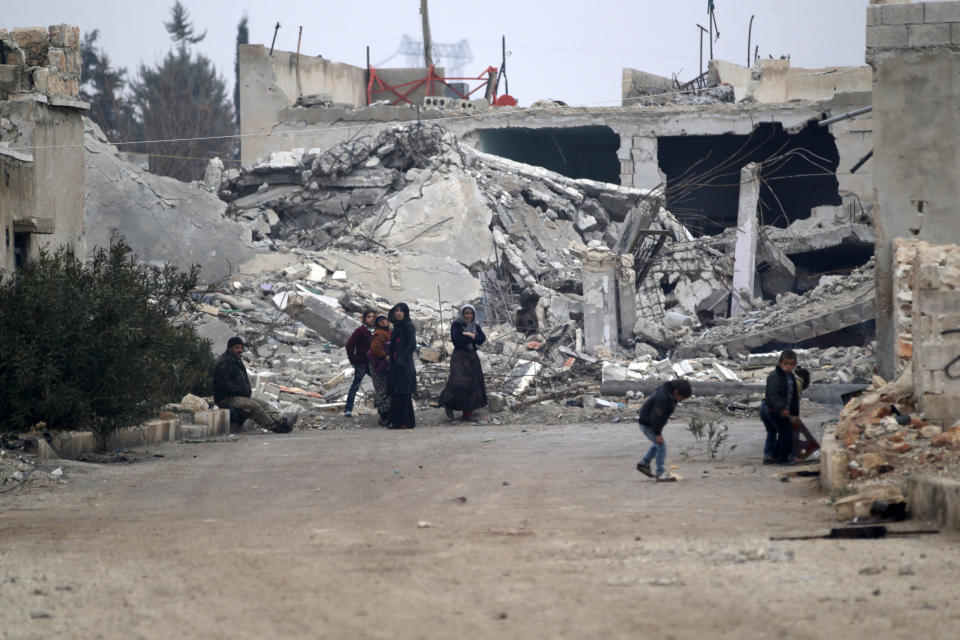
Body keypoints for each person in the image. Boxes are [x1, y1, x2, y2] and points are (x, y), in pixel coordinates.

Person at [213, 337, 297, 433]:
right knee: (253, 406)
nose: (240, 350)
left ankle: (282, 420)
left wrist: (245, 391)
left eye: (241, 348)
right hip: (227, 398)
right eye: (237, 348)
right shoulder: (224, 363)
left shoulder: (237, 361)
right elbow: (225, 386)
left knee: (263, 404)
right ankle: (275, 427)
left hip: (240, 396)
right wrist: (242, 391)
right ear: (229, 348)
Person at [760, 349, 811, 465]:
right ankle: (782, 458)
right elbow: (774, 395)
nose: (788, 367)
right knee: (782, 432)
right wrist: (781, 408)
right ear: (780, 363)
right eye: (786, 364)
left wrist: (806, 376)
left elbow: (801, 386)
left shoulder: (791, 378)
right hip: (772, 408)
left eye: (791, 365)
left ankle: (772, 455)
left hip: (778, 408)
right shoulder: (777, 377)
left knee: (781, 432)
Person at [636, 379, 692, 482]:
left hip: (648, 423)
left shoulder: (668, 394)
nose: (680, 401)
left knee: (657, 445)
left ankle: (644, 464)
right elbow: (655, 417)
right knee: (661, 446)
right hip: (648, 424)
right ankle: (660, 473)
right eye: (681, 398)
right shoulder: (663, 398)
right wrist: (658, 433)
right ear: (676, 392)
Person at [439, 305, 487, 422]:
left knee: (473, 384)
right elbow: (457, 341)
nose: (468, 316)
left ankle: (467, 414)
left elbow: (481, 339)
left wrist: (471, 335)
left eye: (471, 313)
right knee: (458, 383)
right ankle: (448, 404)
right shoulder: (456, 325)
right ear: (462, 314)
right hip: (459, 358)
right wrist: (473, 337)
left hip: (472, 358)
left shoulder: (475, 326)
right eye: (466, 313)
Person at [387, 303, 417, 430]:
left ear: (405, 313)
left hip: (405, 366)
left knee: (404, 394)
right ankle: (397, 421)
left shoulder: (408, 326)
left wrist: (402, 358)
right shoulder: (396, 328)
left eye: (401, 311)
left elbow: (412, 345)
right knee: (396, 394)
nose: (398, 313)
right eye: (397, 311)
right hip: (395, 365)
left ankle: (405, 422)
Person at [343, 309, 377, 417]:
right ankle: (348, 409)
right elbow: (349, 345)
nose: (371, 319)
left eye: (373, 317)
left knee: (379, 384)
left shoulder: (377, 331)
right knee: (355, 386)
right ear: (364, 319)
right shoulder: (360, 330)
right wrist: (354, 360)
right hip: (362, 363)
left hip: (373, 363)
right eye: (369, 317)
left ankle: (379, 407)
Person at [368, 314, 392, 426]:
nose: (384, 322)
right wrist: (385, 356)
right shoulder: (380, 333)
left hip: (382, 365)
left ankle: (386, 414)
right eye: (381, 321)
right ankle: (384, 416)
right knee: (382, 391)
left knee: (385, 390)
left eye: (385, 320)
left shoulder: (387, 332)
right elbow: (375, 348)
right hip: (378, 365)